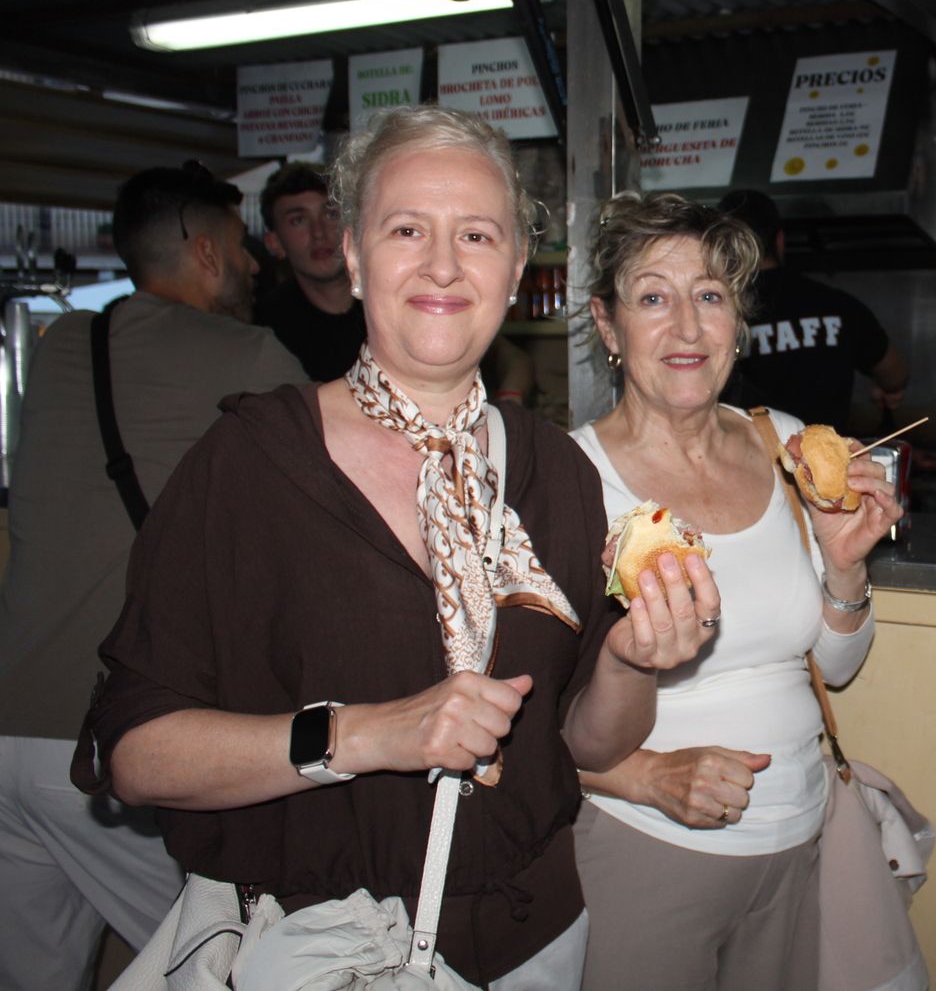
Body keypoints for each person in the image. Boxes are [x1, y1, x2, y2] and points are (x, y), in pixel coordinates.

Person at [78, 107, 721, 989]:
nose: (445, 265)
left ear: (515, 269)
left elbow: (586, 742)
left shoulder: (557, 473)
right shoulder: (251, 463)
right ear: (352, 253)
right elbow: (137, 753)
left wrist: (634, 658)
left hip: (538, 940)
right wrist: (366, 733)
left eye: (478, 235)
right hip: (328, 951)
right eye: (407, 229)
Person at [571, 191, 903, 990]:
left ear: (737, 320)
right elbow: (512, 713)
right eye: (654, 296)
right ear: (609, 326)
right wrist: (646, 776)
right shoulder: (570, 480)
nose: (687, 326)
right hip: (645, 847)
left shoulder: (782, 438)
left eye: (710, 295)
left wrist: (846, 566)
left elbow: (838, 662)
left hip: (799, 842)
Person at [0, 163, 306, 991]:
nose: (254, 266)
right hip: (113, 745)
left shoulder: (64, 343)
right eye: (243, 247)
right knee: (224, 965)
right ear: (206, 253)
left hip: (10, 731)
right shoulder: (251, 353)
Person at [716, 189, 908, 433]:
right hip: (823, 463)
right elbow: (896, 372)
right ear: (779, 241)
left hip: (748, 462)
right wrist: (888, 389)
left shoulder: (719, 315)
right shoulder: (836, 305)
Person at [254, 161, 368, 380]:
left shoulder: (390, 304)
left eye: (331, 214)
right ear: (274, 243)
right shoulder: (265, 333)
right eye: (298, 220)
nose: (319, 233)